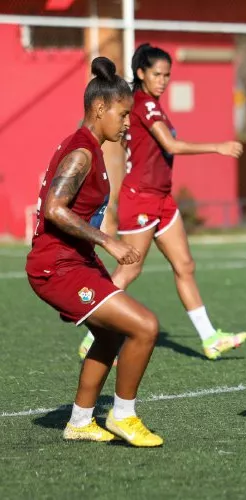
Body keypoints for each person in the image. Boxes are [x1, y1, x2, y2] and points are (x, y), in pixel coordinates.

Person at [78, 43, 246, 361]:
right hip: (140, 198)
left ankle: (210, 337)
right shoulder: (142, 103)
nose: (163, 80)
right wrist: (218, 147)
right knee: (130, 269)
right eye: (157, 73)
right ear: (141, 73)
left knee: (185, 265)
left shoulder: (152, 104)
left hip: (161, 199)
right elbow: (170, 143)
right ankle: (93, 331)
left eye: (167, 75)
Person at [26, 57, 163, 446]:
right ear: (99, 108)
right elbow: (54, 208)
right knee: (145, 326)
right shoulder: (82, 152)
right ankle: (124, 416)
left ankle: (81, 422)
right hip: (57, 265)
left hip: (76, 260)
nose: (126, 123)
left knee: (109, 336)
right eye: (122, 114)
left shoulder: (90, 148)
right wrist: (108, 241)